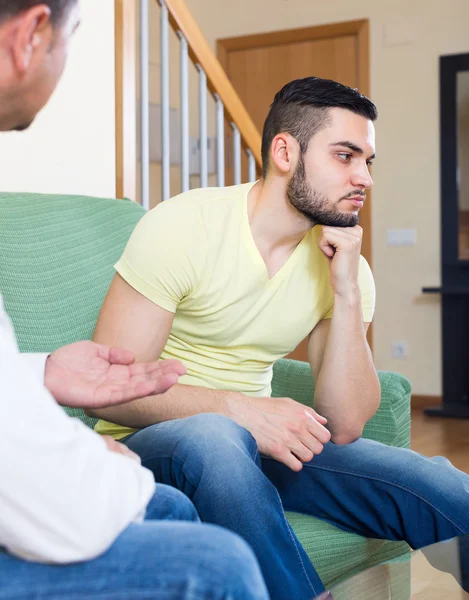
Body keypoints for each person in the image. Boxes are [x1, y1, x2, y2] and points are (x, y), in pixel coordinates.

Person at [91, 75, 469, 600]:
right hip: (155, 444)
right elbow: (113, 387)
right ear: (286, 151)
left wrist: (348, 293)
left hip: (257, 448)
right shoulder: (183, 225)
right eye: (345, 156)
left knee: (441, 485)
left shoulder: (344, 266)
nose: (364, 177)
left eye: (368, 161)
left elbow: (345, 423)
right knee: (216, 439)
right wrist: (238, 411)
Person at [0, 2, 269, 599]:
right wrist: (115, 472)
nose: (362, 179)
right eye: (71, 36)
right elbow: (40, 495)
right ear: (31, 36)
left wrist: (40, 370)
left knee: (172, 507)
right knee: (216, 565)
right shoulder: (179, 227)